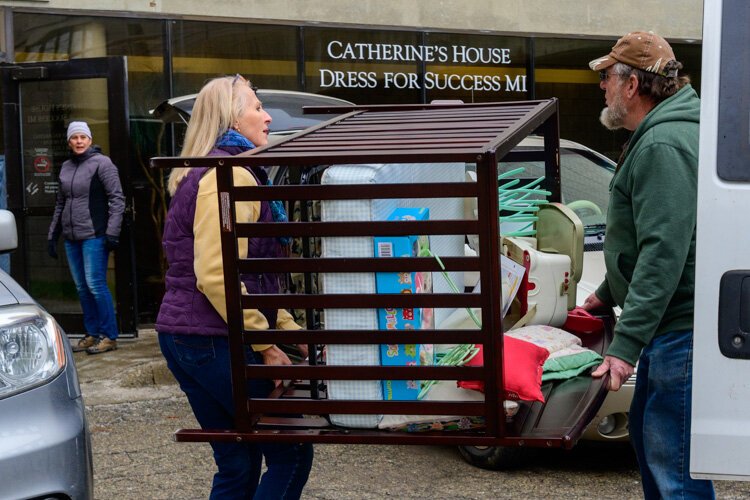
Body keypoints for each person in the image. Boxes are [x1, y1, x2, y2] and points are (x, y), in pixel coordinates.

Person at [155, 75, 313, 499]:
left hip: (189, 335)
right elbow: (217, 272)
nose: (266, 117)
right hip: (212, 338)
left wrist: (290, 333)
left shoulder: (208, 170)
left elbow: (255, 273)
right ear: (231, 117)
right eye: (257, 107)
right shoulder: (233, 175)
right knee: (291, 453)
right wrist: (265, 343)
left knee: (238, 461)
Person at [582, 31, 714, 499]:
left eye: (607, 78)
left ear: (632, 86)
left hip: (678, 332)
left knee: (674, 473)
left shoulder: (664, 145)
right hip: (674, 330)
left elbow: (663, 252)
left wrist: (624, 347)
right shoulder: (665, 132)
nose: (603, 87)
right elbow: (645, 241)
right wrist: (605, 296)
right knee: (656, 449)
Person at [48, 121, 124, 354]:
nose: (79, 141)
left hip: (95, 235)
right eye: (74, 138)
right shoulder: (66, 167)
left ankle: (109, 336)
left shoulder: (103, 163)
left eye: (83, 137)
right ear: (69, 142)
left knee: (96, 285)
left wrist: (112, 232)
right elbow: (61, 203)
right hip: (72, 236)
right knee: (82, 287)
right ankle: (92, 334)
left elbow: (117, 199)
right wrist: (53, 234)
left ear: (90, 139)